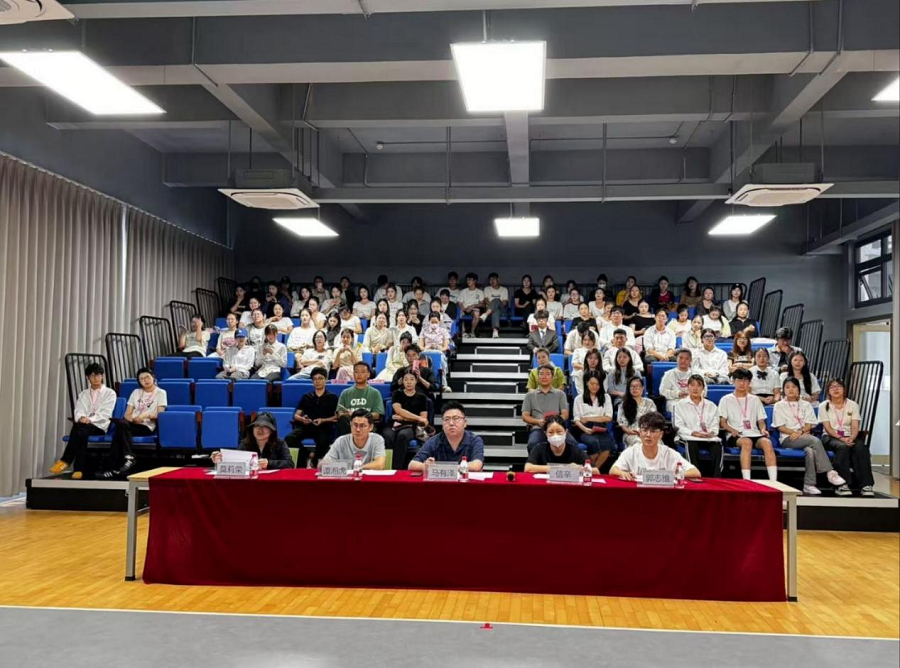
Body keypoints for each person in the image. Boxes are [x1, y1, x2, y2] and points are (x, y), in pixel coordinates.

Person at [773, 378, 846, 495]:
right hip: (788, 438)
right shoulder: (779, 405)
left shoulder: (806, 404)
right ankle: (829, 472)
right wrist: (794, 433)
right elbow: (780, 427)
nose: (791, 389)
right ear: (783, 390)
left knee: (810, 451)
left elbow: (809, 424)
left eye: (794, 387)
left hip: (804, 437)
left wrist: (800, 432)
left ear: (798, 390)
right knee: (815, 441)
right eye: (787, 387)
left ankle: (809, 484)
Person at [50, 364, 118, 479]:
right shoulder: (83, 393)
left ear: (102, 376)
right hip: (84, 426)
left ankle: (66, 461)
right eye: (92, 375)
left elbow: (106, 413)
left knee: (79, 429)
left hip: (99, 426)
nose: (96, 378)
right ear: (87, 377)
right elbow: (78, 409)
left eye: (98, 375)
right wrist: (81, 417)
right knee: (81, 431)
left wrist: (89, 419)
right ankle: (78, 469)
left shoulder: (110, 393)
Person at [718, 368, 776, 481]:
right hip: (736, 434)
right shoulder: (726, 399)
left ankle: (774, 481)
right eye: (739, 380)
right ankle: (747, 480)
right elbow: (722, 422)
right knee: (747, 442)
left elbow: (761, 421)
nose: (742, 383)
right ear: (733, 381)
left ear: (749, 382)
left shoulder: (755, 399)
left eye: (745, 380)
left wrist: (763, 429)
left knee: (767, 442)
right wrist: (731, 430)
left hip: (754, 433)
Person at [819, 378, 874, 496]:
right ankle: (842, 484)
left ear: (844, 389)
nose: (836, 389)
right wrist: (841, 438)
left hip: (849, 436)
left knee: (861, 448)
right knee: (842, 447)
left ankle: (866, 485)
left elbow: (855, 426)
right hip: (830, 436)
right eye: (832, 387)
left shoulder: (853, 405)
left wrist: (852, 437)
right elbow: (827, 428)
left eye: (839, 386)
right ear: (828, 391)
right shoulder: (824, 405)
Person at [610, 411, 699, 481]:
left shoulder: (669, 453)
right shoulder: (631, 452)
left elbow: (695, 472)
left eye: (653, 431)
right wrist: (623, 473)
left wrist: (673, 476)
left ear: (661, 434)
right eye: (645, 430)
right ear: (640, 432)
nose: (648, 435)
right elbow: (613, 470)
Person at [284, 367, 339, 467]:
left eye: (320, 378)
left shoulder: (333, 397)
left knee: (323, 440)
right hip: (307, 425)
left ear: (326, 380)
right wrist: (302, 419)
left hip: (324, 426)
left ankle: (315, 462)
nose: (317, 381)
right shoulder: (306, 396)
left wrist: (323, 420)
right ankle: (309, 454)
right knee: (289, 438)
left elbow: (336, 417)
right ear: (312, 381)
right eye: (315, 379)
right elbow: (296, 415)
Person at [409, 401, 484, 471]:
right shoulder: (434, 441)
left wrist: (444, 468)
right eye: (446, 419)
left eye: (456, 418)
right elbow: (412, 464)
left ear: (465, 423)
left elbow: (476, 465)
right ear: (442, 425)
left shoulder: (474, 440)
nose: (451, 423)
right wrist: (425, 466)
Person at [672, 374, 722, 477]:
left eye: (699, 385)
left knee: (717, 446)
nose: (695, 388)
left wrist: (712, 433)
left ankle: (716, 477)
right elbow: (677, 426)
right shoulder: (679, 405)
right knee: (691, 445)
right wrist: (693, 433)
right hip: (688, 437)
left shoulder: (711, 405)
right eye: (692, 385)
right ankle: (694, 476)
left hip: (707, 437)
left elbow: (715, 424)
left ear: (703, 388)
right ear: (687, 387)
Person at [211, 412, 294, 470]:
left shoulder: (280, 442)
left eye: (264, 426)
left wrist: (269, 463)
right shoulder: (245, 443)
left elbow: (289, 464)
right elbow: (235, 462)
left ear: (272, 430)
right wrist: (220, 461)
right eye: (256, 426)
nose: (260, 429)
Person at [384, 370, 430, 469]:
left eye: (412, 379)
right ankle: (386, 467)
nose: (409, 382)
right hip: (394, 423)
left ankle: (396, 468)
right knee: (388, 436)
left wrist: (404, 418)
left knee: (403, 436)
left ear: (416, 381)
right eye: (406, 379)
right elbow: (398, 410)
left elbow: (424, 419)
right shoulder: (397, 393)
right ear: (402, 381)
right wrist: (417, 417)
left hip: (410, 425)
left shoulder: (422, 397)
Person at [525, 415, 599, 474]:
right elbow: (528, 468)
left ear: (566, 432)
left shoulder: (576, 451)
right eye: (551, 432)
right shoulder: (539, 449)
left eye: (559, 431)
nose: (555, 435)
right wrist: (557, 468)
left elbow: (596, 471)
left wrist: (580, 469)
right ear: (545, 434)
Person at [571, 371, 615, 468]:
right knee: (593, 444)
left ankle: (591, 470)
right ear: (587, 383)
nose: (594, 386)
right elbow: (577, 419)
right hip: (584, 429)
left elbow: (608, 417)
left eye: (597, 384)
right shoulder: (579, 399)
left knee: (608, 446)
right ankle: (592, 471)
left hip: (601, 428)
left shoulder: (606, 397)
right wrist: (585, 429)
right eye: (592, 383)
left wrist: (588, 418)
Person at [522, 365, 569, 452]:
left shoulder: (560, 394)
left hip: (557, 428)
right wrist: (538, 421)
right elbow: (525, 416)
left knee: (572, 443)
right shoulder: (529, 395)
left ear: (552, 377)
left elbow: (565, 414)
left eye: (547, 374)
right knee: (533, 444)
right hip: (538, 428)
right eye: (541, 374)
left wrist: (556, 422)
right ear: (537, 377)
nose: (544, 376)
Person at [321, 409, 386, 470]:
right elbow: (323, 464)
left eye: (362, 426)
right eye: (355, 425)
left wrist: (356, 469)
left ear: (371, 427)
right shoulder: (340, 441)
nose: (358, 429)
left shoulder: (377, 439)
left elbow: (380, 464)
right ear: (350, 424)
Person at [336, 362, 385, 435]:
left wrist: (357, 415)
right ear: (353, 374)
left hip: (367, 425)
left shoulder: (375, 393)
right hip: (349, 425)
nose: (359, 374)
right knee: (343, 419)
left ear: (368, 374)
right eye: (356, 372)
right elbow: (340, 413)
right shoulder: (345, 393)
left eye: (362, 372)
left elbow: (377, 415)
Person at [659, 349, 705, 413]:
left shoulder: (697, 374)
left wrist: (692, 395)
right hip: (675, 401)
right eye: (681, 358)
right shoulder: (668, 374)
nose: (683, 361)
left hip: (694, 400)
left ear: (691, 360)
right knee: (681, 408)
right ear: (676, 359)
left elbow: (704, 390)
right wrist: (678, 394)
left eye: (687, 359)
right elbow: (662, 391)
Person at [617, 377, 657, 448]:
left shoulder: (649, 402)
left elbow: (654, 420)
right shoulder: (623, 405)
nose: (634, 388)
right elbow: (623, 425)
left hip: (648, 432)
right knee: (640, 443)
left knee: (657, 443)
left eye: (637, 386)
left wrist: (645, 432)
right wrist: (630, 431)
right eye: (632, 386)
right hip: (632, 433)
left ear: (642, 388)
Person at [478, 272, 509, 339]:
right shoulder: (487, 288)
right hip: (491, 310)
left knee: (496, 300)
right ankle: (495, 331)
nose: (492, 281)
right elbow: (486, 300)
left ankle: (485, 315)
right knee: (495, 310)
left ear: (498, 279)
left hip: (501, 310)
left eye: (493, 279)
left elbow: (504, 303)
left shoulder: (504, 289)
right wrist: (493, 307)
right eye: (490, 280)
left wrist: (495, 304)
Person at [571, 330, 599, 395]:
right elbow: (574, 364)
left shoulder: (597, 352)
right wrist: (584, 367)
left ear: (593, 341)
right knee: (580, 374)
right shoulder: (577, 351)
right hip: (581, 373)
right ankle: (583, 396)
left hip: (594, 372)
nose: (587, 342)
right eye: (585, 340)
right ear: (582, 341)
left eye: (589, 340)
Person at [457, 273, 485, 338]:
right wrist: (464, 309)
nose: (468, 281)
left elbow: (482, 304)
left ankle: (472, 332)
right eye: (467, 280)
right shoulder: (463, 291)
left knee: (477, 313)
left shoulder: (479, 292)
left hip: (473, 309)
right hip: (464, 308)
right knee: (460, 312)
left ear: (475, 281)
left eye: (470, 280)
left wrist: (472, 306)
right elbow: (459, 302)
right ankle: (463, 332)